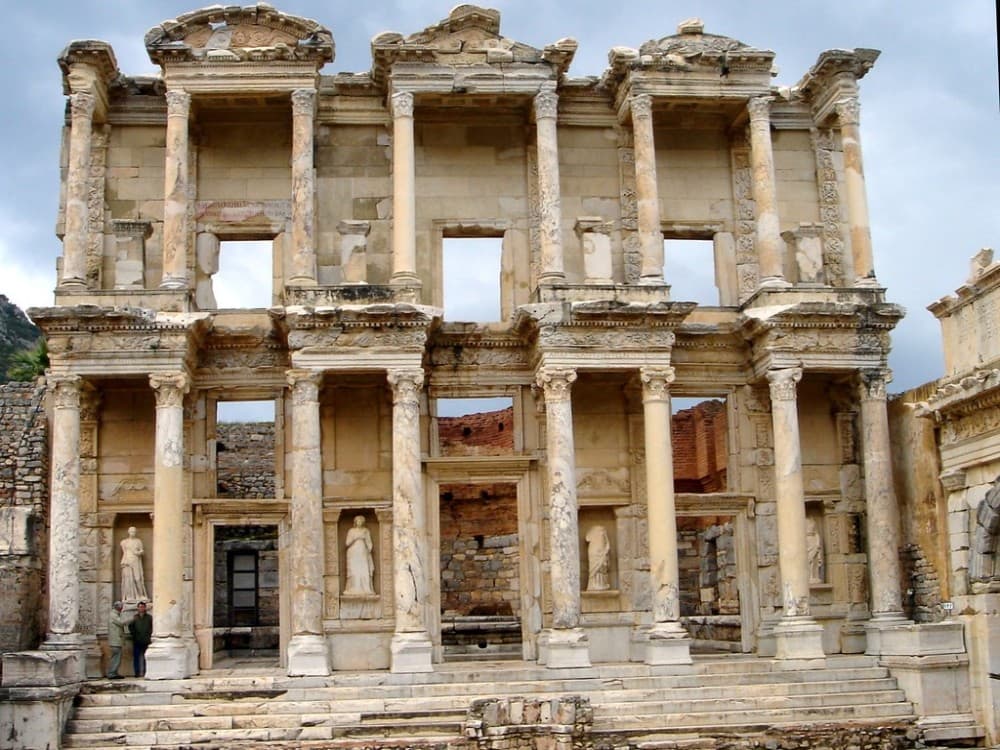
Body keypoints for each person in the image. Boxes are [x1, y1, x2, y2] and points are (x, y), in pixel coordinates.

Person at [344, 515, 375, 595]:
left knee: (364, 569)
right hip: (353, 553)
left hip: (363, 552)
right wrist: (356, 537)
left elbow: (369, 544)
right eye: (358, 521)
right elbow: (347, 543)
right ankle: (354, 588)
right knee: (354, 570)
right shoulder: (351, 531)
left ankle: (366, 588)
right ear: (355, 522)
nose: (359, 522)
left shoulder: (366, 531)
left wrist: (368, 545)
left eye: (361, 521)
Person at [120, 526, 148, 602]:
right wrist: (124, 561)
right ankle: (129, 596)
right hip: (127, 560)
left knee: (137, 578)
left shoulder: (138, 541)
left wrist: (139, 553)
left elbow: (142, 551)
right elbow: (125, 552)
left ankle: (141, 595)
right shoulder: (124, 542)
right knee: (128, 579)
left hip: (136, 560)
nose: (133, 533)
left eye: (134, 532)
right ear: (128, 532)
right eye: (131, 531)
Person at [128, 601, 152, 677]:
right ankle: (137, 672)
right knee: (136, 657)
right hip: (137, 640)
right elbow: (130, 626)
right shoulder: (135, 617)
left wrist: (149, 634)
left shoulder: (149, 618)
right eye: (140, 607)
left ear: (145, 608)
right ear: (138, 608)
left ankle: (146, 671)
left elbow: (152, 627)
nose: (141, 608)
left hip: (146, 640)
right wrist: (134, 635)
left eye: (142, 607)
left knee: (146, 657)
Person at [585, 524, 611, 591]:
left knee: (602, 567)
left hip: (601, 553)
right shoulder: (591, 532)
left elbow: (608, 544)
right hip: (594, 552)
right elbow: (587, 538)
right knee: (594, 568)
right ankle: (592, 585)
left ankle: (602, 584)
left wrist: (606, 551)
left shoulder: (603, 532)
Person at [106, 601, 125, 679]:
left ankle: (114, 672)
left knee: (116, 657)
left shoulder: (114, 614)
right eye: (121, 607)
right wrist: (132, 619)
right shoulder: (113, 615)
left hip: (116, 640)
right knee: (116, 657)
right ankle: (112, 673)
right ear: (119, 607)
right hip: (115, 641)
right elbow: (121, 622)